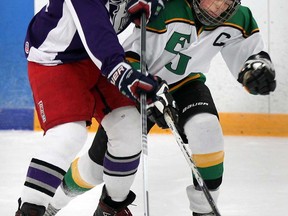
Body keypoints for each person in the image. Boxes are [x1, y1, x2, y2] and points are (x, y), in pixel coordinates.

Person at [43, 0, 277, 215]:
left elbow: (252, 54)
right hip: (145, 85)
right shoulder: (168, 8)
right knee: (96, 167)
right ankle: (52, 204)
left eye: (224, 2)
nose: (217, 8)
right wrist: (142, 88)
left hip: (187, 83)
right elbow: (132, 54)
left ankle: (204, 210)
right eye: (211, 0)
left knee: (207, 129)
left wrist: (256, 71)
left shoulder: (239, 17)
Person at [14, 0, 178, 215]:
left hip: (98, 60)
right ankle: (31, 210)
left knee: (130, 128)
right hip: (55, 60)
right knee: (68, 134)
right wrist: (131, 80)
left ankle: (111, 208)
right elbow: (99, 38)